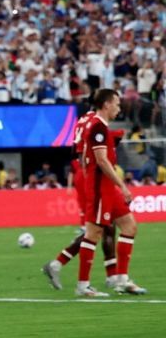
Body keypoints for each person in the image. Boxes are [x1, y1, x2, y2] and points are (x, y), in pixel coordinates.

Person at [76, 89, 147, 296]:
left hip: (106, 186)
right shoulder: (98, 126)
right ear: (106, 104)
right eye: (116, 103)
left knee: (129, 225)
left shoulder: (100, 126)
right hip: (101, 186)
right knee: (94, 233)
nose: (119, 107)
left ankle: (122, 279)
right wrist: (122, 186)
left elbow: (85, 159)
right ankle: (82, 286)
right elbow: (102, 161)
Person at [44, 108, 118, 292]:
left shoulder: (83, 120)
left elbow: (77, 149)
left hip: (84, 172)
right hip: (91, 174)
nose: (117, 108)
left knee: (104, 227)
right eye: (115, 104)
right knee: (98, 228)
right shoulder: (96, 122)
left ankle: (112, 276)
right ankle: (99, 278)